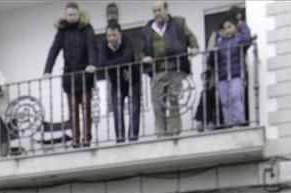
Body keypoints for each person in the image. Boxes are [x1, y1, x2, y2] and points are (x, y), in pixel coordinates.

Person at [44, 2, 98, 148]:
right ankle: (75, 139)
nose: (72, 17)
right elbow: (54, 50)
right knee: (73, 109)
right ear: (65, 16)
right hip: (69, 76)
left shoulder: (87, 28)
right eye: (69, 15)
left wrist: (92, 64)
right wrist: (48, 70)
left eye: (74, 14)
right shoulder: (62, 31)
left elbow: (92, 47)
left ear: (78, 14)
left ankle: (87, 138)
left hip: (85, 75)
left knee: (86, 108)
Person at [141, 1, 199, 137]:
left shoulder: (178, 23)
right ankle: (161, 133)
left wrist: (194, 47)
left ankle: (174, 132)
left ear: (166, 9)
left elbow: (191, 37)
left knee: (173, 100)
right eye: (154, 11)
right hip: (157, 70)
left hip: (175, 68)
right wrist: (144, 58)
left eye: (159, 10)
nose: (157, 13)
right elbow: (141, 50)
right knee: (157, 103)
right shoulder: (148, 29)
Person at [99, 20, 142, 142]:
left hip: (133, 80)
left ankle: (133, 137)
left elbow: (128, 57)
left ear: (120, 34)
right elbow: (101, 63)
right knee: (117, 110)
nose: (111, 38)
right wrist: (121, 63)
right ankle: (120, 138)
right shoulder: (103, 46)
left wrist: (112, 64)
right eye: (109, 35)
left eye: (114, 35)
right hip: (116, 83)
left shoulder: (127, 41)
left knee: (134, 108)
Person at [206, 14, 252, 127]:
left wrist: (242, 25)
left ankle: (238, 121)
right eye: (225, 28)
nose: (227, 30)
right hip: (222, 77)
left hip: (236, 75)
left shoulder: (239, 39)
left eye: (230, 27)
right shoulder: (219, 43)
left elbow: (248, 40)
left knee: (236, 97)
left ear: (235, 28)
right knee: (225, 101)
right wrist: (213, 53)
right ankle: (229, 123)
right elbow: (210, 62)